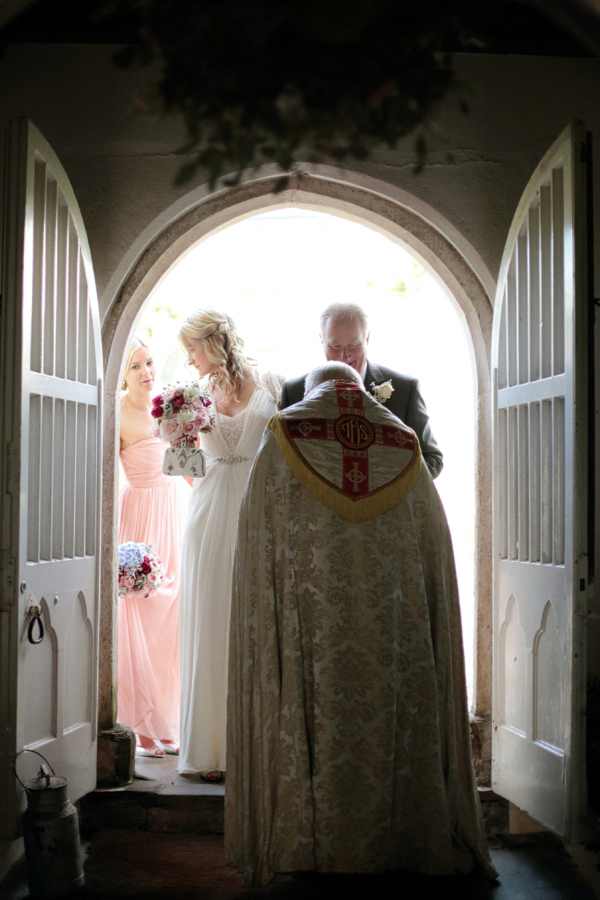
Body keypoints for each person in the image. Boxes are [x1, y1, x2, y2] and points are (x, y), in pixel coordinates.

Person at [225, 361, 496, 886]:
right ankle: (404, 836)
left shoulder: (284, 437)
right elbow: (432, 549)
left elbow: (258, 543)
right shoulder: (402, 441)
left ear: (313, 391)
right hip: (395, 625)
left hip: (308, 624)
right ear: (357, 389)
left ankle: (304, 843)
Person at [177, 309, 283, 780]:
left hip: (261, 507)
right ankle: (212, 749)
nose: (189, 360)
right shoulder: (190, 396)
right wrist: (181, 440)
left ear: (213, 344)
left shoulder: (272, 383)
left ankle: (256, 744)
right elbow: (183, 467)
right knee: (211, 619)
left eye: (192, 350)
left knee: (256, 616)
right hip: (210, 509)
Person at [118, 337, 191, 758]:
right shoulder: (117, 414)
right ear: (122, 376)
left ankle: (169, 723)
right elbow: (107, 476)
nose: (146, 372)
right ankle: (143, 730)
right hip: (139, 517)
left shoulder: (171, 405)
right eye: (135, 367)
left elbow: (186, 471)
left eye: (148, 363)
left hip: (174, 509)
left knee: (174, 619)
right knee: (140, 617)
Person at [279, 301, 443, 478]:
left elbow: (431, 459)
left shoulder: (404, 389)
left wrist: (387, 486)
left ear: (367, 339)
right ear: (322, 341)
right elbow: (281, 460)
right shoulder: (294, 392)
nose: (344, 355)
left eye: (353, 345)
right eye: (335, 346)